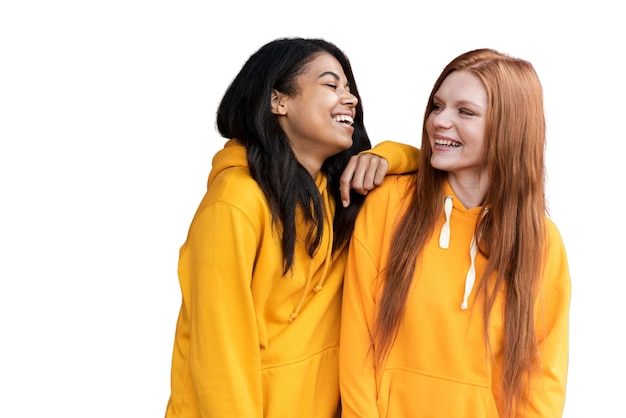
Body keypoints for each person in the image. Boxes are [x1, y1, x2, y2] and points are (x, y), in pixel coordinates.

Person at [164, 37, 420, 418]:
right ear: (278, 101)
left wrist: (386, 154)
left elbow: (432, 169)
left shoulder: (338, 195)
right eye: (332, 85)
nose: (350, 99)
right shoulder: (234, 203)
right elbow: (221, 353)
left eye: (350, 90)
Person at [339, 48, 571, 417]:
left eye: (465, 111)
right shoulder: (390, 205)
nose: (438, 122)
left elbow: (541, 384)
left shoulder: (540, 242)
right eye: (437, 106)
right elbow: (356, 345)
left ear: (508, 127)